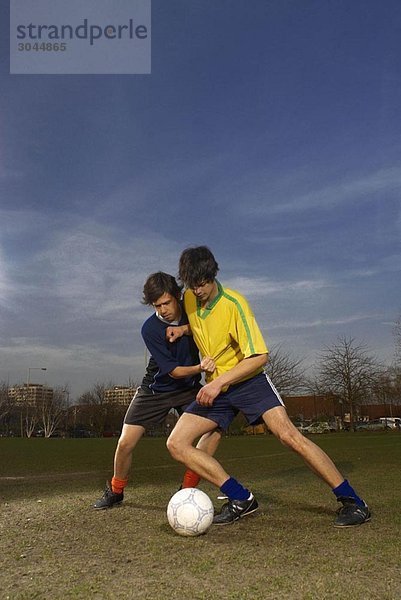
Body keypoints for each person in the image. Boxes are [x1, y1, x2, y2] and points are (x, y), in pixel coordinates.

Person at [166, 246, 370, 528]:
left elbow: (260, 356)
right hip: (217, 386)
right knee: (176, 443)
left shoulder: (235, 304)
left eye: (201, 284)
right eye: (192, 285)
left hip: (247, 381)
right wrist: (183, 330)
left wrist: (221, 381)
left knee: (289, 437)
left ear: (212, 277)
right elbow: (200, 322)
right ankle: (241, 498)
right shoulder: (189, 297)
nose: (197, 291)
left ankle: (353, 502)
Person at [93, 271, 221, 510]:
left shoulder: (192, 308)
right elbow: (173, 371)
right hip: (157, 389)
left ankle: (187, 489)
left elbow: (209, 325)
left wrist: (184, 330)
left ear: (177, 296)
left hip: (188, 389)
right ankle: (116, 490)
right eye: (157, 305)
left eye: (166, 303)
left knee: (214, 429)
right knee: (125, 443)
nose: (162, 310)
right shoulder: (150, 328)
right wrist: (200, 367)